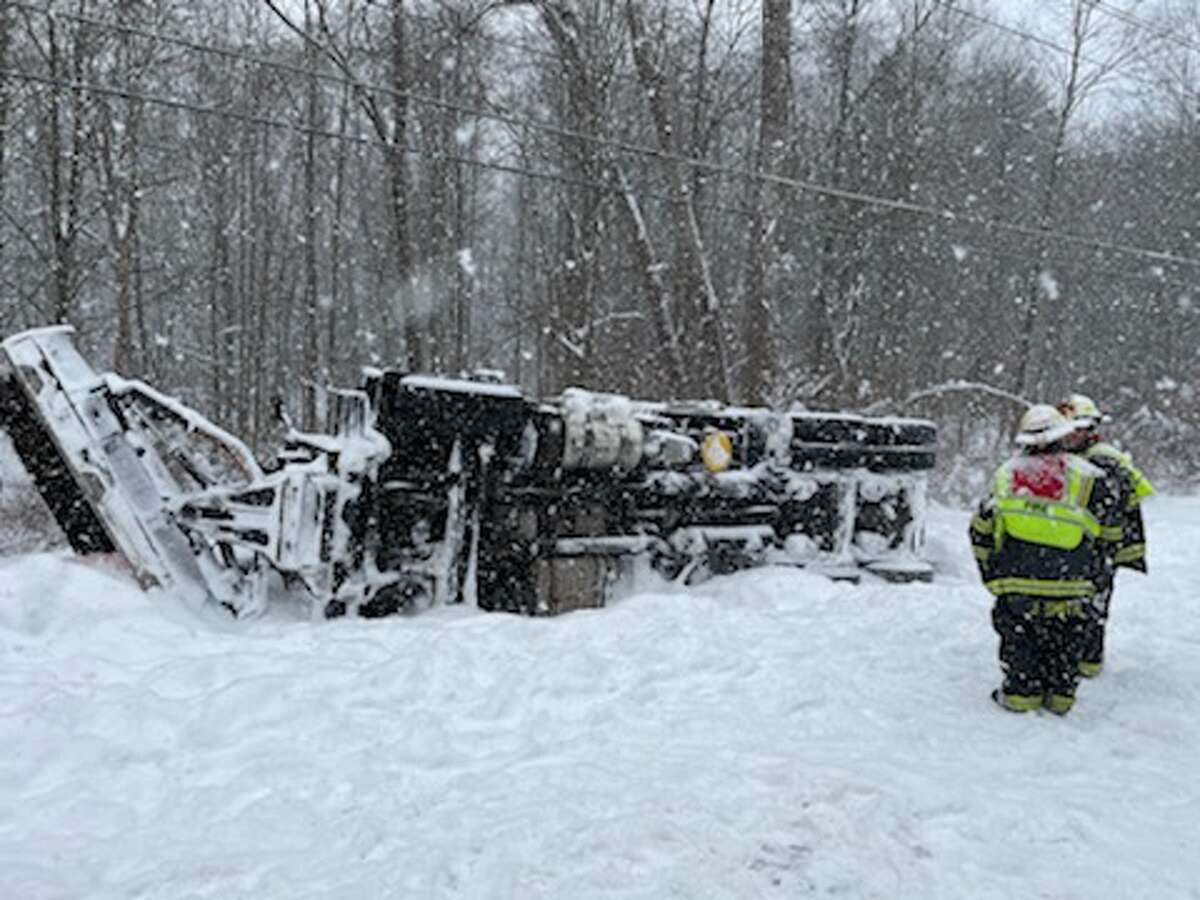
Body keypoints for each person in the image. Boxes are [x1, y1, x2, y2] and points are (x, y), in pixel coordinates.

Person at [969, 404, 1123, 715]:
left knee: (1020, 640)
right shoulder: (1090, 477)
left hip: (1016, 582)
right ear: (1063, 436)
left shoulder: (1005, 475)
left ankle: (1020, 694)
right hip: (1072, 583)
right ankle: (1061, 696)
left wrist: (991, 572)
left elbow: (982, 527)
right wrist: (1093, 572)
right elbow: (1111, 533)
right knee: (1066, 640)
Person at [1058, 393, 1154, 677]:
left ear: (1090, 429)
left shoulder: (1103, 462)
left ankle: (1087, 663)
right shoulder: (1079, 456)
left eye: (1078, 428)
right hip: (1090, 546)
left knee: (1092, 605)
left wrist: (1099, 551)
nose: (1071, 434)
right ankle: (1081, 660)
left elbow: (1108, 516)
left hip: (1102, 548)